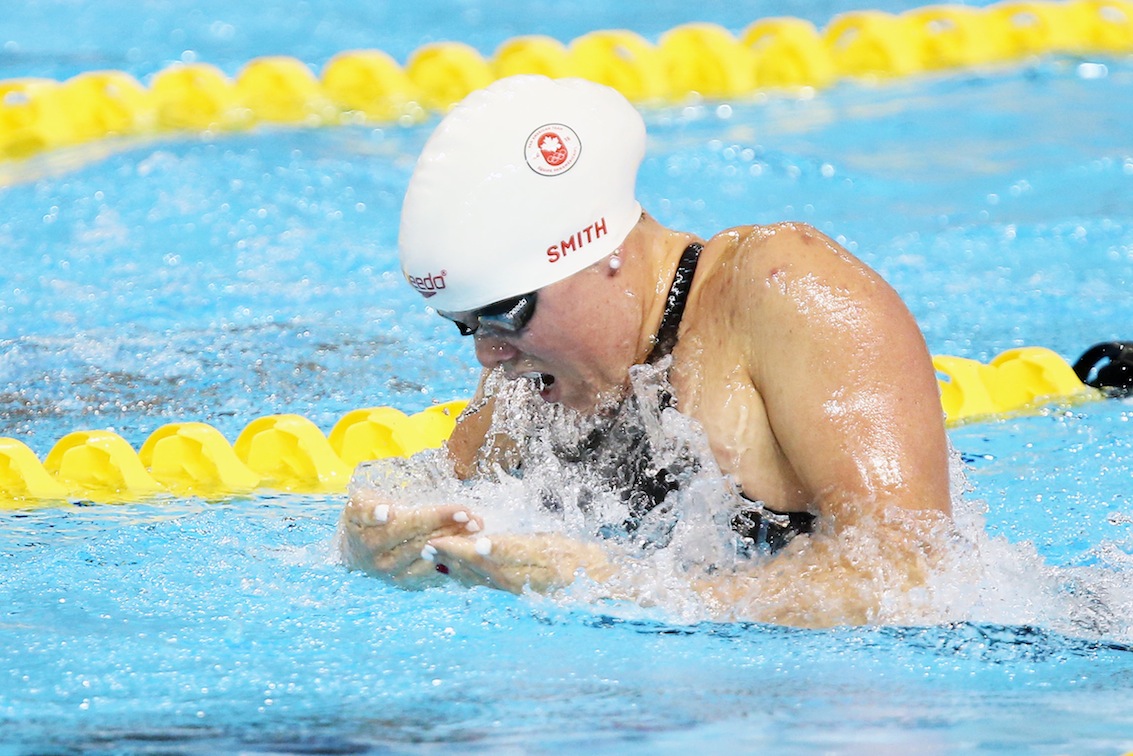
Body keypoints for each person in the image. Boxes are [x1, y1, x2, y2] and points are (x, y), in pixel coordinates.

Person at [340, 75, 953, 627]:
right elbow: (435, 491)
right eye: (464, 325)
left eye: (505, 312)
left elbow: (909, 571)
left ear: (597, 250)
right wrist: (371, 544)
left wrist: (620, 592)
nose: (488, 355)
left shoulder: (778, 290)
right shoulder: (533, 386)